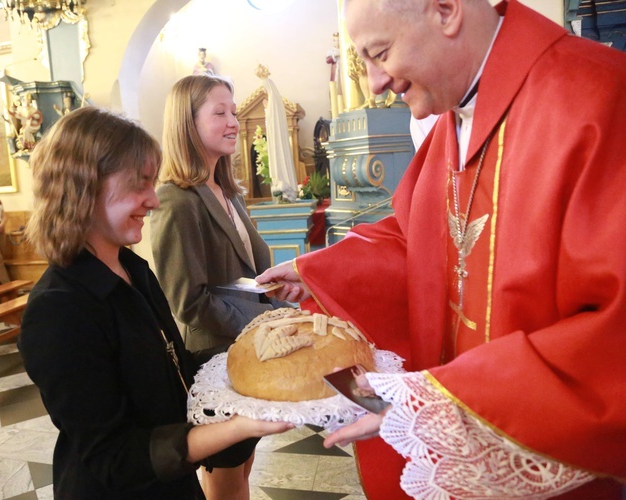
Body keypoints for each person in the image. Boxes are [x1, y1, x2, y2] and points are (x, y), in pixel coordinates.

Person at [256, 0, 626, 498]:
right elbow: (420, 237)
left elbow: (614, 335)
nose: (375, 83)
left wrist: (449, 401)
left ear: (447, 11)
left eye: (380, 53)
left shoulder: (597, 96)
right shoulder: (454, 117)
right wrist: (319, 272)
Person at [18, 106, 292, 499]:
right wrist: (239, 425)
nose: (153, 200)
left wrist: (257, 361)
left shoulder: (132, 268)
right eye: (139, 184)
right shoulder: (59, 309)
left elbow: (175, 370)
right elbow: (115, 458)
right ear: (83, 184)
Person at [150, 74, 289, 499]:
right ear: (187, 124)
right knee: (226, 471)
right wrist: (254, 329)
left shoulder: (229, 192)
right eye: (220, 112)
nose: (233, 121)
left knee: (244, 460)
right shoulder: (176, 199)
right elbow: (188, 300)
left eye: (233, 111)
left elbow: (245, 274)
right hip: (214, 357)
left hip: (245, 353)